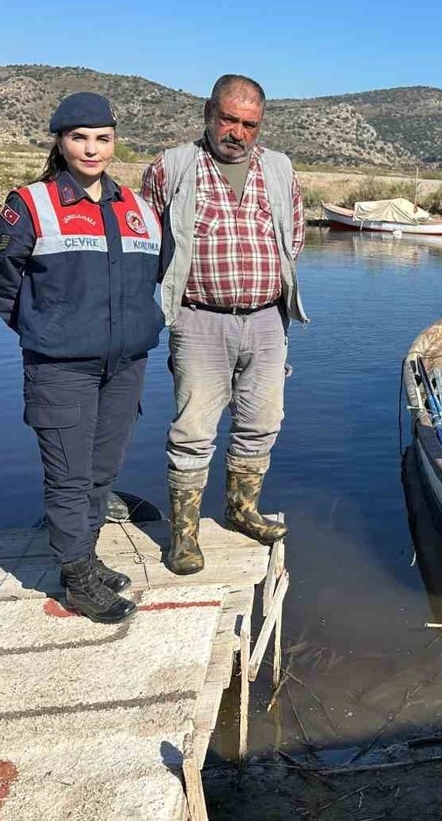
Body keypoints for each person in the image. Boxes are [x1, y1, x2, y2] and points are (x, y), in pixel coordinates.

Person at [0, 92, 164, 623]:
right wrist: (52, 333)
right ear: (60, 142)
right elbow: (5, 288)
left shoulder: (137, 208)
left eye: (102, 138)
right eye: (79, 137)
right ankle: (77, 578)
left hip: (125, 365)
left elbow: (152, 276)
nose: (91, 148)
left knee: (100, 472)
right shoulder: (31, 204)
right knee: (67, 476)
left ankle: (83, 557)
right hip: (60, 368)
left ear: (114, 141)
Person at [140, 74, 307, 575]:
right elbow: (144, 241)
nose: (237, 132)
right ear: (208, 114)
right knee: (192, 431)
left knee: (261, 423)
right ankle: (184, 537)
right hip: (198, 321)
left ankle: (242, 511)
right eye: (228, 119)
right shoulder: (172, 167)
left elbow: (292, 238)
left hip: (266, 322)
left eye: (249, 124)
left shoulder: (279, 169)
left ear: (261, 126)